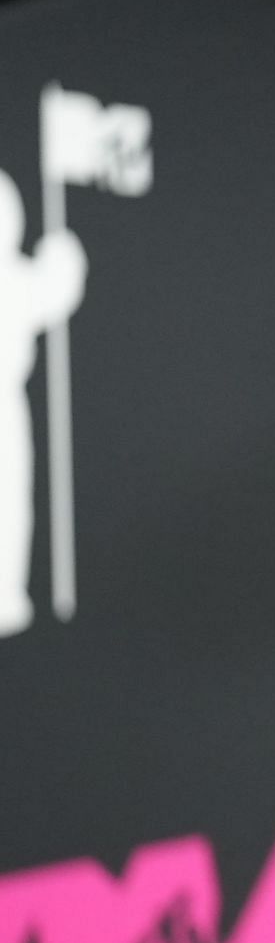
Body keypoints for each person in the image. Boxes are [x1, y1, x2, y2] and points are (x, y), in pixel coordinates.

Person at [0, 168, 87, 638]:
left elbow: (50, 290)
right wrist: (60, 260)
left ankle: (4, 591)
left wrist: (60, 260)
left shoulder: (10, 280)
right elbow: (51, 287)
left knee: (8, 499)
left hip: (3, 412)